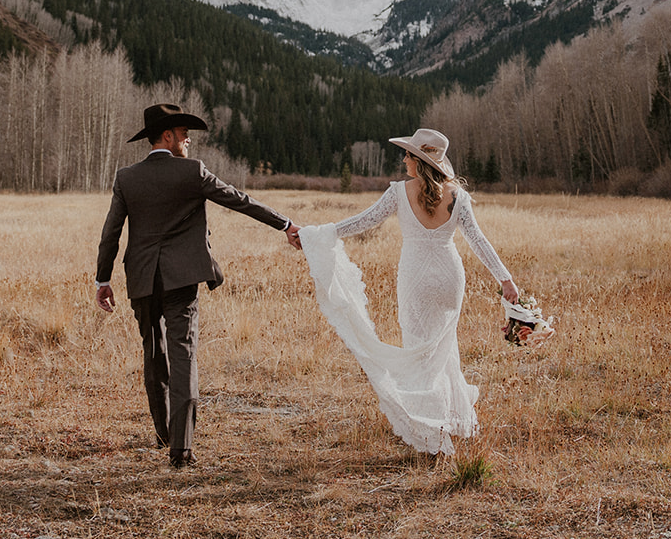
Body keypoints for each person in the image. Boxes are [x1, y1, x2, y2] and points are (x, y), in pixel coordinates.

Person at [298, 128, 553, 455]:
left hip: (416, 277)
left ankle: (429, 428)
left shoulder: (399, 192)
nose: (404, 158)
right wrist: (505, 279)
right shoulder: (457, 195)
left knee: (419, 348)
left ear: (419, 160)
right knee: (444, 349)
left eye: (408, 154)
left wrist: (321, 234)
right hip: (450, 276)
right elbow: (478, 240)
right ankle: (447, 419)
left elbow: (365, 221)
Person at [96, 103, 302, 469]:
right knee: (183, 354)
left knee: (154, 355)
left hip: (142, 278)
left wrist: (103, 279)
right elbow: (239, 200)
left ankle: (163, 434)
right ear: (167, 136)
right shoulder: (191, 172)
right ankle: (181, 448)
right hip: (182, 278)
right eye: (183, 133)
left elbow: (111, 232)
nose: (188, 140)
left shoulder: (126, 177)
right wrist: (284, 224)